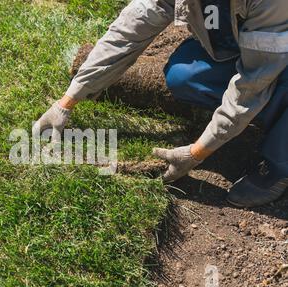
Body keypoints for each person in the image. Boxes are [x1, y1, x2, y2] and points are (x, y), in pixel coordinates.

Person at [33, 0, 288, 208]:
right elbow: (128, 32)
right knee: (184, 75)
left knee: (274, 88)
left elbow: (253, 84)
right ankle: (262, 117)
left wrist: (197, 152)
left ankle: (278, 167)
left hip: (277, 42)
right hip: (260, 41)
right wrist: (67, 101)